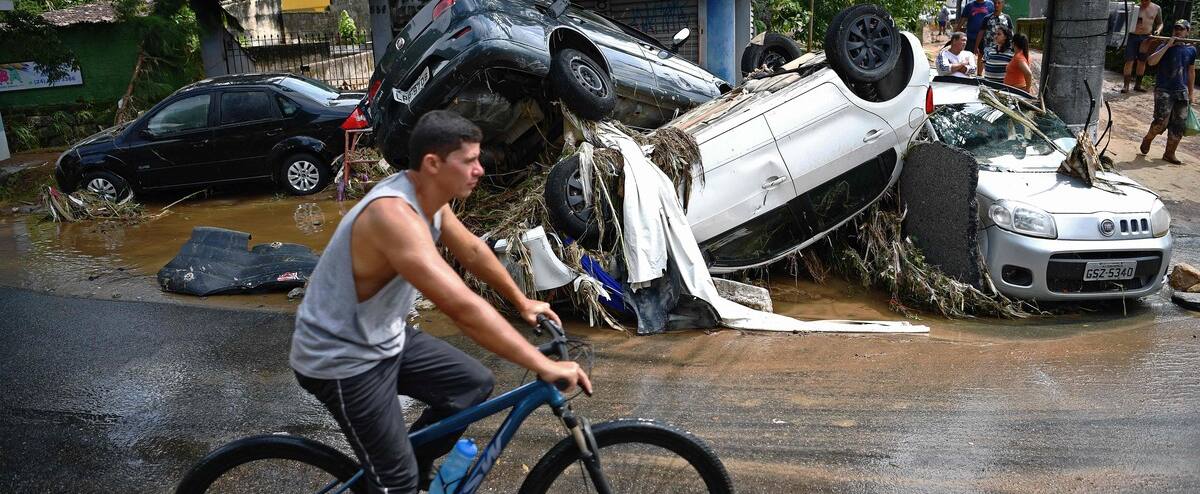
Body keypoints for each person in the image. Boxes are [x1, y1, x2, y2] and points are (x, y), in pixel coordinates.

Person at [290, 110, 593, 493]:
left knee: (470, 386)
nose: (479, 169)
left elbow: (472, 251)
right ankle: (397, 480)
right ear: (433, 163)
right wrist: (541, 364)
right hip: (339, 360)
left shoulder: (430, 198)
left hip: (384, 337)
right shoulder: (393, 216)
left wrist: (522, 302)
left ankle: (409, 466)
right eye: (468, 161)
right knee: (395, 483)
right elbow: (462, 307)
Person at [1141, 20, 1196, 164]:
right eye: (1176, 28)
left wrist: (1191, 93)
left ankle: (1169, 154)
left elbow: (1191, 72)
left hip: (1181, 91)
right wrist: (1167, 45)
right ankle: (1148, 138)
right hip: (1164, 89)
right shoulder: (1164, 46)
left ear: (1187, 32)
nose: (1178, 31)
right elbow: (1151, 62)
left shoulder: (1191, 50)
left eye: (1181, 29)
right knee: (1160, 122)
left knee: (1178, 125)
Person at [1123, 0, 1164, 93]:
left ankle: (1138, 85)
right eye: (1142, 0)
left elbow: (1160, 23)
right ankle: (1126, 86)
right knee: (1129, 60)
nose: (1143, 2)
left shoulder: (1156, 8)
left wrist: (1158, 31)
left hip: (1146, 37)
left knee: (1142, 61)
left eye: (1146, 0)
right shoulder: (1135, 7)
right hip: (1132, 36)